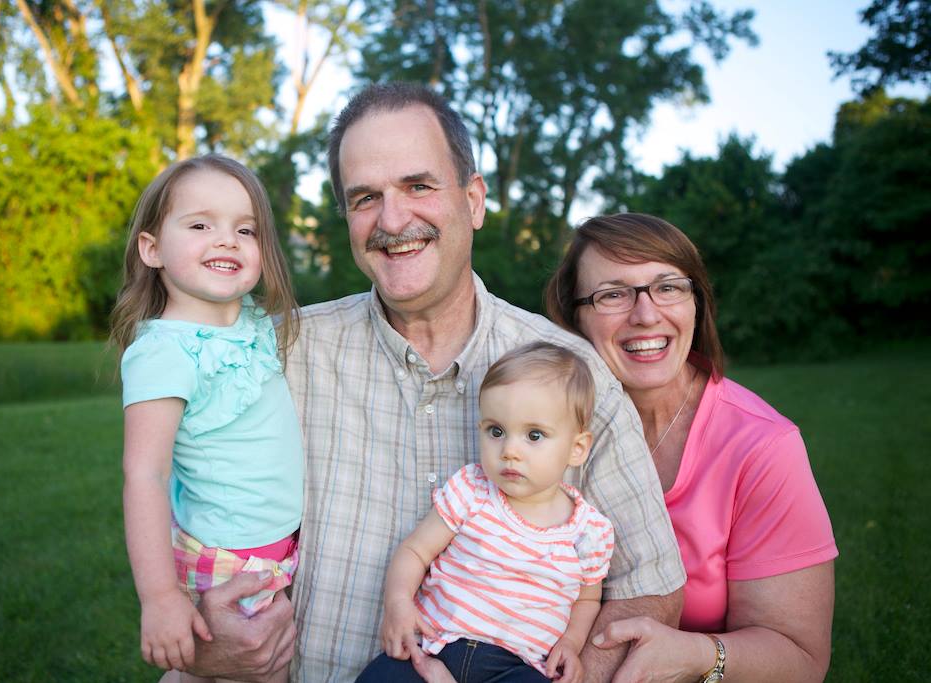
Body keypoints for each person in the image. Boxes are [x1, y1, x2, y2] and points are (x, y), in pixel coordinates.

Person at [189, 83, 685, 683]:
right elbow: (191, 528)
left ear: (473, 201)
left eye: (419, 186)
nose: (393, 219)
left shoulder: (574, 375)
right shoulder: (273, 356)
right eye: (366, 197)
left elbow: (648, 588)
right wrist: (204, 637)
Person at [544, 212, 838, 682]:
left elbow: (801, 660)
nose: (646, 314)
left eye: (668, 287)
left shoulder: (762, 446)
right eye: (613, 294)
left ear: (696, 303)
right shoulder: (540, 426)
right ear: (574, 316)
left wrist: (700, 656)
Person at [110, 154, 303, 683]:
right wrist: (160, 597)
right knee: (254, 670)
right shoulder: (164, 352)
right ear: (152, 248)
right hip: (226, 557)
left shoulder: (252, 323)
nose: (227, 241)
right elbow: (144, 475)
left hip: (271, 548)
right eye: (200, 226)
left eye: (246, 229)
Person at [357, 342, 614, 683]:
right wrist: (399, 602)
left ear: (577, 448)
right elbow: (415, 551)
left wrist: (571, 643)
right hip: (435, 646)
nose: (509, 451)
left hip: (515, 667)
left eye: (534, 435)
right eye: (496, 431)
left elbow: (587, 600)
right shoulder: (472, 490)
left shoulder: (589, 532)